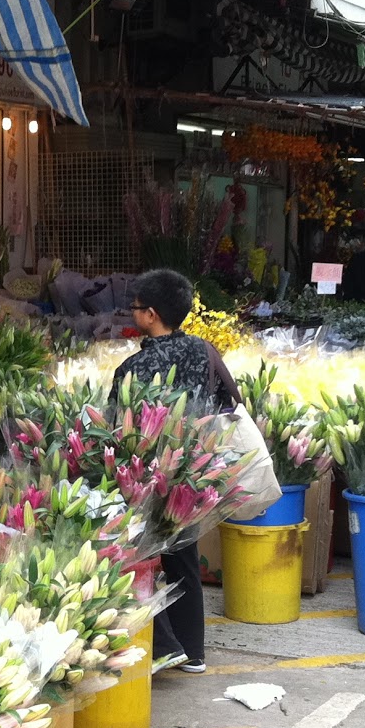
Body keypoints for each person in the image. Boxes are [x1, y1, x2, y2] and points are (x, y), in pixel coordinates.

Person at [111, 269, 241, 675]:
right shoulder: (204, 351)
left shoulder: (132, 367)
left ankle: (165, 647)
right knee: (183, 556)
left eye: (135, 308)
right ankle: (193, 652)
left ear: (150, 314)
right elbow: (231, 400)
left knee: (143, 557)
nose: (132, 314)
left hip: (146, 475)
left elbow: (118, 422)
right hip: (192, 473)